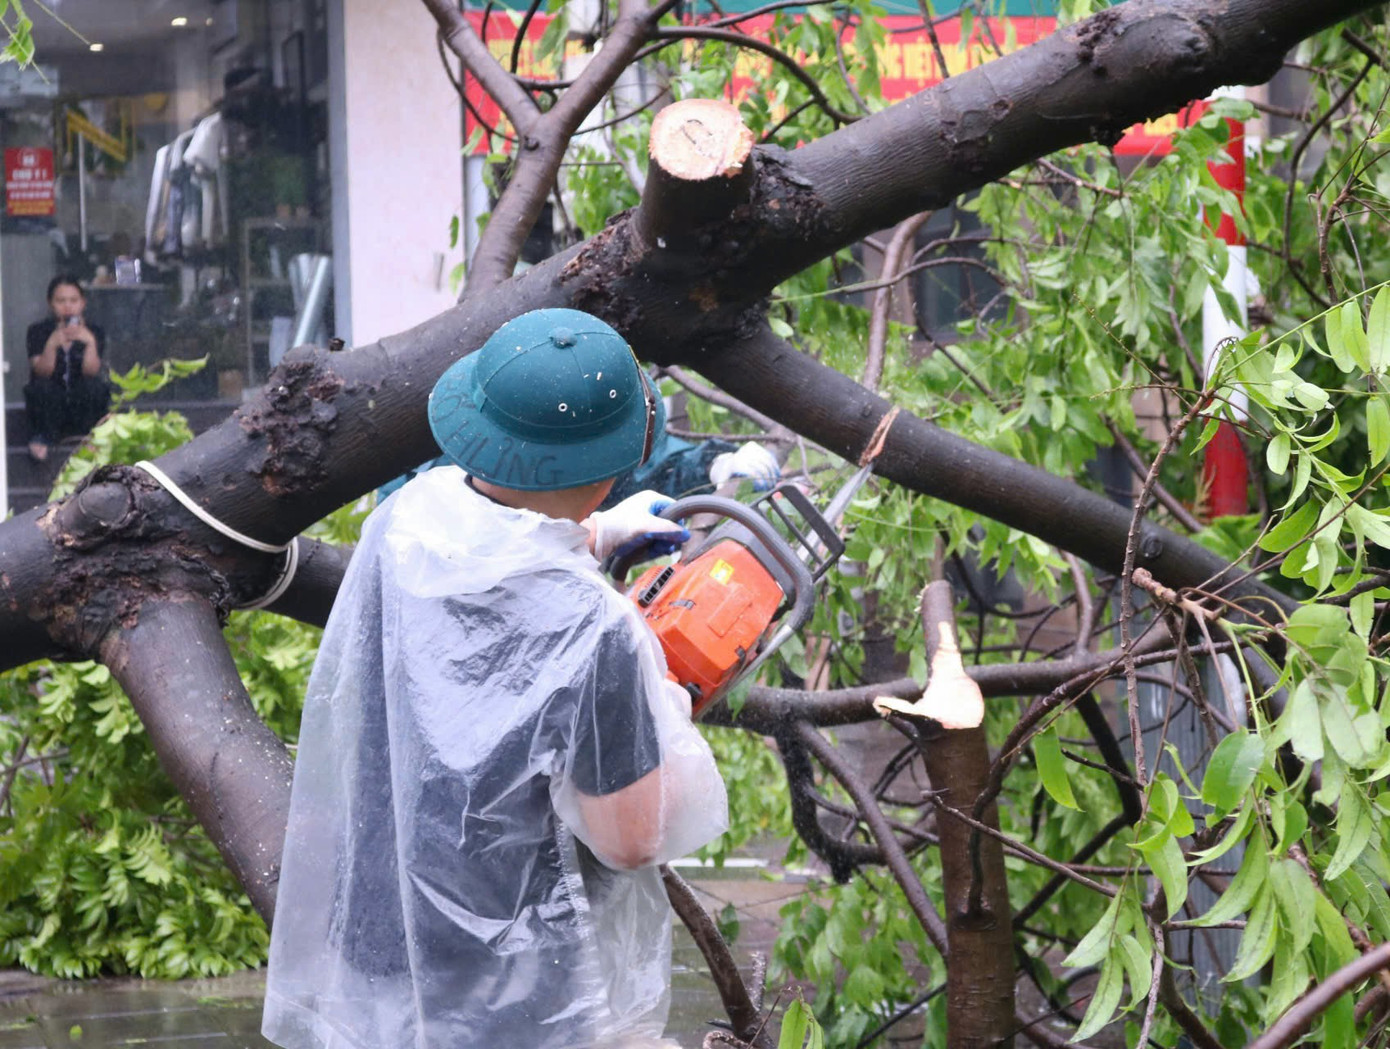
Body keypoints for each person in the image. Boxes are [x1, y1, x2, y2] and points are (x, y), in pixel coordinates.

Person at [263, 308, 730, 1049]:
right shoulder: (598, 630)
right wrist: (660, 708)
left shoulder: (407, 523)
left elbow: (494, 558)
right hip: (519, 981)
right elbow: (632, 838)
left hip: (379, 933)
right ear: (614, 466)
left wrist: (588, 536)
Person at [23, 274, 110, 462]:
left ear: (82, 303)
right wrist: (52, 344)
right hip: (52, 405)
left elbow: (91, 371)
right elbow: (41, 371)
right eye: (61, 301)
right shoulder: (38, 331)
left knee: (95, 386)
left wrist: (89, 343)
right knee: (41, 386)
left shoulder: (95, 331)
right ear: (51, 303)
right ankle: (42, 436)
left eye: (73, 300)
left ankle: (89, 437)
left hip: (80, 404)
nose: (68, 306)